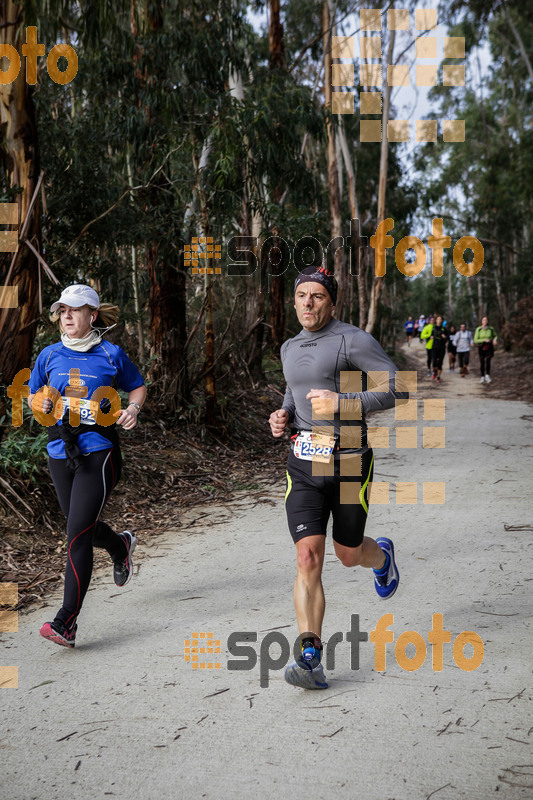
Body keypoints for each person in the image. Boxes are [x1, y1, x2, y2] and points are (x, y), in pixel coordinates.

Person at [269, 266, 407, 690]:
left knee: (347, 554)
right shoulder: (289, 346)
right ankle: (310, 654)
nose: (308, 303)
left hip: (349, 459)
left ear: (332, 301)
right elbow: (295, 392)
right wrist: (284, 415)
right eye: (301, 296)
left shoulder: (353, 339)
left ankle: (381, 558)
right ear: (294, 301)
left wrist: (343, 401)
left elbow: (397, 387)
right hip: (304, 463)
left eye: (317, 296)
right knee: (307, 557)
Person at [28, 284, 146, 648]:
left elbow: (137, 385)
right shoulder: (48, 356)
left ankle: (66, 622)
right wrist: (40, 405)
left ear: (92, 315)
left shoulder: (111, 354)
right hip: (61, 451)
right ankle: (119, 546)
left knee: (76, 533)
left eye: (75, 310)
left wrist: (132, 409)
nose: (67, 316)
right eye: (63, 310)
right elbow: (32, 394)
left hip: (100, 451)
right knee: (82, 526)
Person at [474, 316, 498, 384]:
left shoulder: (491, 329)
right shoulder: (478, 329)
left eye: (486, 320)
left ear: (487, 321)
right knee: (482, 362)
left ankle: (487, 375)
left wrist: (495, 339)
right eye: (483, 320)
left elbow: (495, 335)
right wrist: (483, 340)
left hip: (489, 347)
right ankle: (482, 376)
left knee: (488, 361)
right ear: (481, 321)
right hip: (481, 347)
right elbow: (475, 340)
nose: (485, 321)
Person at [429, 315, 448, 383]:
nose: (439, 320)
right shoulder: (433, 328)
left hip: (442, 348)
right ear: (436, 320)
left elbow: (447, 339)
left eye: (440, 319)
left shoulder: (444, 329)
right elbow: (431, 336)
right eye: (438, 319)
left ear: (442, 321)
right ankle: (434, 371)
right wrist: (431, 337)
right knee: (434, 361)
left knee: (440, 363)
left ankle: (438, 377)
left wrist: (444, 337)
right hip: (434, 347)